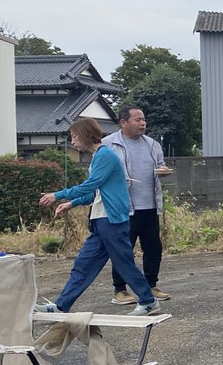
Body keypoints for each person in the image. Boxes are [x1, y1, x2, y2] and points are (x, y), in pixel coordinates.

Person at [34, 118, 160, 316]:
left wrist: (57, 195)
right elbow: (96, 192)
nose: (73, 142)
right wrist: (71, 203)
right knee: (83, 264)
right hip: (101, 220)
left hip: (112, 220)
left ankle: (148, 300)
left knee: (123, 262)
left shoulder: (105, 155)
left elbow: (90, 186)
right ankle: (61, 306)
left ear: (85, 135)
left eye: (74, 137)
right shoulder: (99, 157)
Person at [103, 106, 173, 305]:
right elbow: (97, 172)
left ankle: (151, 285)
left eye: (143, 120)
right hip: (123, 207)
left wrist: (164, 170)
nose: (142, 123)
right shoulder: (109, 144)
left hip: (150, 205)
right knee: (124, 249)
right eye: (137, 120)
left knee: (153, 247)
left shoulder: (152, 144)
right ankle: (120, 290)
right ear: (123, 123)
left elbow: (161, 165)